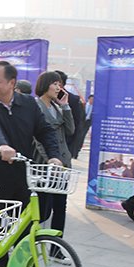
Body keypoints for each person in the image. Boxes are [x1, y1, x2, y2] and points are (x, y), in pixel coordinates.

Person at [0, 60, 62, 267]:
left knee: (25, 226)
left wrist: (54, 156)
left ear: (11, 83)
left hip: (23, 175)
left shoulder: (28, 104)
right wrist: (1, 146)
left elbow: (45, 130)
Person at [34, 71, 74, 240]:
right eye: (55, 84)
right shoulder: (35, 106)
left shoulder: (58, 107)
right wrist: (50, 160)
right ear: (45, 85)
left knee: (60, 206)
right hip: (44, 165)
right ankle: (33, 242)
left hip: (62, 163)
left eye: (59, 84)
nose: (58, 88)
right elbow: (36, 139)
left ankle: (56, 247)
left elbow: (70, 130)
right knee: (43, 210)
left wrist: (66, 107)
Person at [55, 70, 84, 160]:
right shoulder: (44, 100)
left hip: (65, 145)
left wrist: (71, 150)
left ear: (61, 84)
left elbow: (77, 126)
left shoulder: (73, 100)